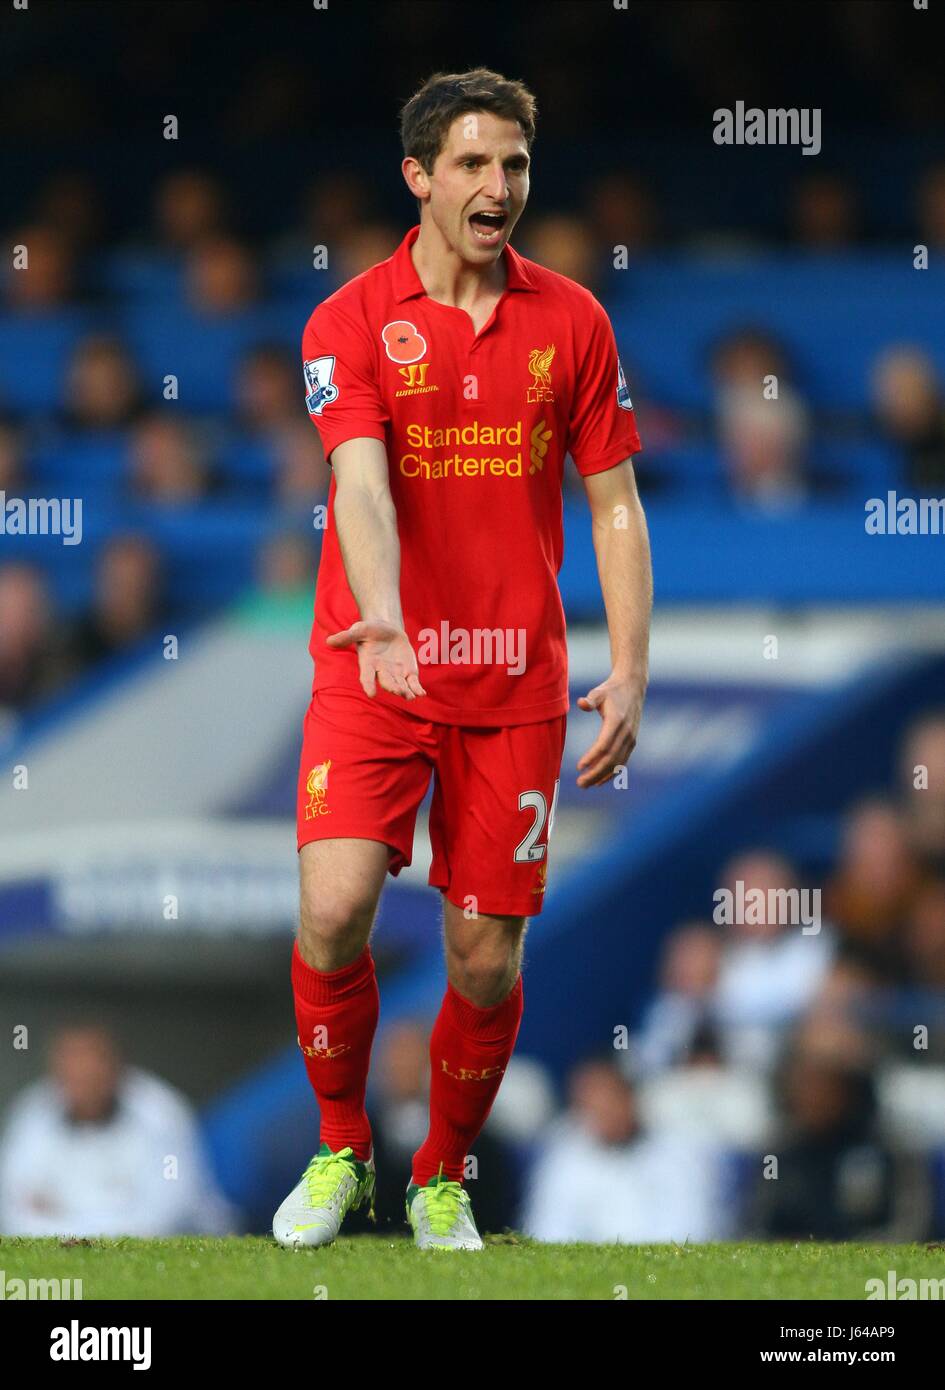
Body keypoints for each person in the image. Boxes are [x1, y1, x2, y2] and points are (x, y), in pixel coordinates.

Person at [272, 68, 652, 1253]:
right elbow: (362, 484)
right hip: (372, 665)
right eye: (476, 165)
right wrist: (381, 614)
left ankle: (441, 1174)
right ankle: (342, 1149)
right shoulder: (348, 322)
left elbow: (616, 506)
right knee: (333, 907)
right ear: (420, 178)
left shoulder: (575, 321)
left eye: (518, 165)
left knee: (483, 960)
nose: (501, 186)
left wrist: (631, 663)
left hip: (514, 685)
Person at [0, 1025, 232, 1237]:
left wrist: (72, 1228)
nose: (84, 1077)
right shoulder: (32, 1113)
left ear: (115, 1066)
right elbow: (15, 1210)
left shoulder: (161, 1113)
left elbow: (170, 1211)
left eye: (92, 1065)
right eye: (73, 1068)